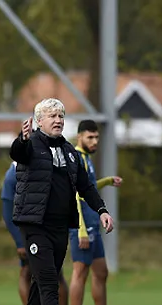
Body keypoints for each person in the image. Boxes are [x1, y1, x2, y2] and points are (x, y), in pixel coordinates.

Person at [9, 98, 114, 305]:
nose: (58, 120)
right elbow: (17, 153)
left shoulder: (70, 152)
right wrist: (22, 139)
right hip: (36, 226)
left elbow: (86, 187)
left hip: (60, 227)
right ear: (39, 121)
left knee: (41, 285)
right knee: (49, 283)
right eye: (52, 116)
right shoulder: (30, 144)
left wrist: (102, 210)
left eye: (61, 116)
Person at [69, 120, 123, 305]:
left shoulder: (87, 159)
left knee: (101, 271)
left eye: (97, 137)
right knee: (80, 271)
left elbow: (88, 188)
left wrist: (107, 181)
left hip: (93, 222)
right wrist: (81, 229)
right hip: (81, 225)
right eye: (90, 137)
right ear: (80, 137)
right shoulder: (75, 158)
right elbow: (75, 195)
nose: (94, 141)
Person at [2, 161, 69, 305]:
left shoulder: (45, 167)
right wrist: (20, 242)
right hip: (28, 234)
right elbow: (7, 211)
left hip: (46, 232)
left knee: (55, 274)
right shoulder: (13, 174)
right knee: (27, 272)